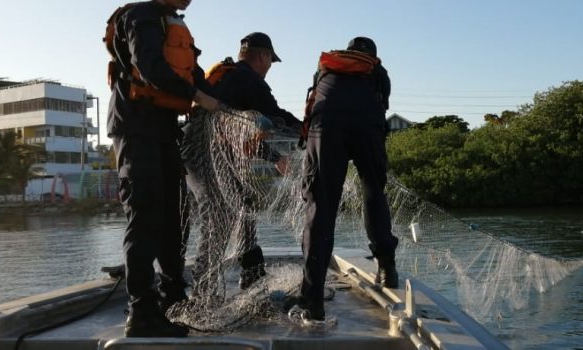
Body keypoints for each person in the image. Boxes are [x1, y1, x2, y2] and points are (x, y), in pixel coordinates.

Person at [105, 0, 221, 337]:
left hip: (164, 130)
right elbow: (151, 67)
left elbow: (194, 76)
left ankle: (173, 297)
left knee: (176, 216)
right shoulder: (141, 16)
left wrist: (221, 104)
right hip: (136, 130)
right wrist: (196, 96)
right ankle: (142, 313)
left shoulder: (172, 23)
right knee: (145, 217)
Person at [294, 37, 399, 322]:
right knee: (373, 192)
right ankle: (387, 269)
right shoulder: (378, 72)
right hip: (368, 125)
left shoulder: (326, 68)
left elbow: (313, 101)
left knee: (321, 206)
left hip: (326, 127)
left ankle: (313, 299)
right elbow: (381, 107)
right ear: (372, 56)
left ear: (348, 52)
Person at [203, 32, 302, 289]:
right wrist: (310, 131)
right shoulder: (249, 80)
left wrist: (275, 157)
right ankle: (218, 284)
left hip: (202, 155)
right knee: (231, 213)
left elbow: (239, 136)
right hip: (214, 158)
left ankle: (247, 274)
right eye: (270, 61)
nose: (269, 68)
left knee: (239, 206)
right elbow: (276, 116)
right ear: (263, 56)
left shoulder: (226, 76)